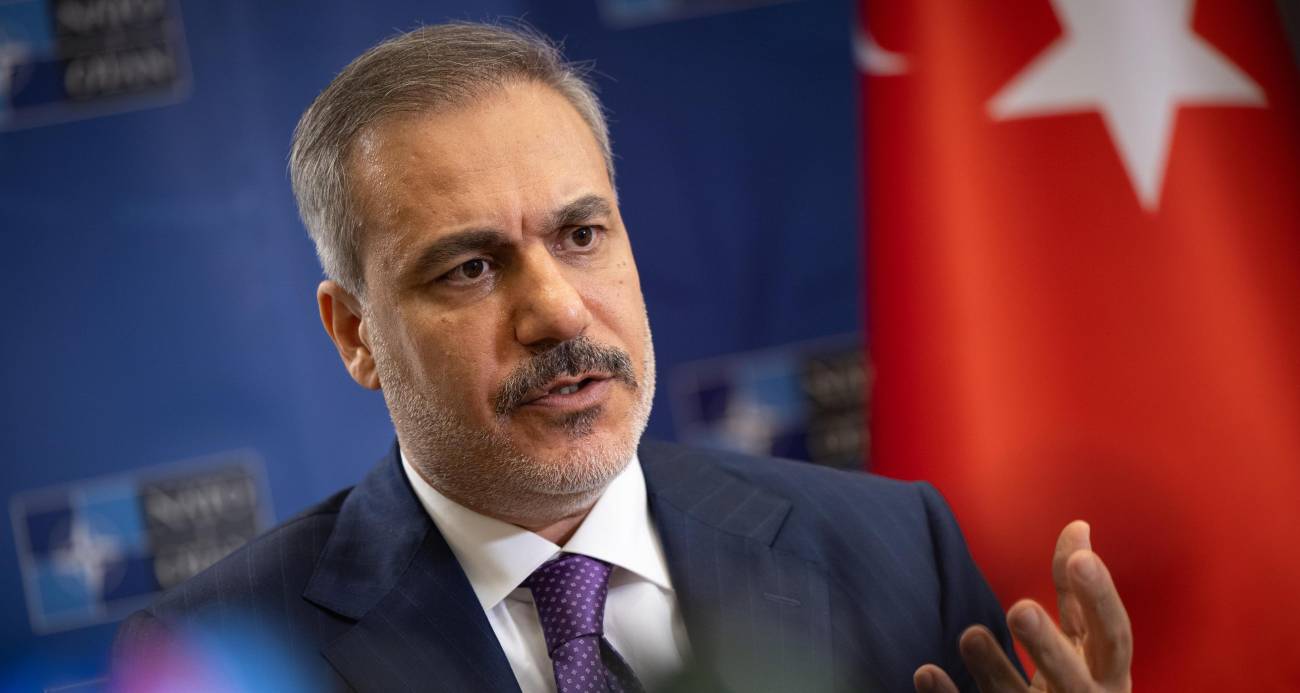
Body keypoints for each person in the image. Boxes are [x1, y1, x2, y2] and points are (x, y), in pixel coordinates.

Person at [113, 22, 1132, 693]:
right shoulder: (222, 652)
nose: (557, 311)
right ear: (355, 335)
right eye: (469, 268)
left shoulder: (895, 549)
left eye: (581, 234)